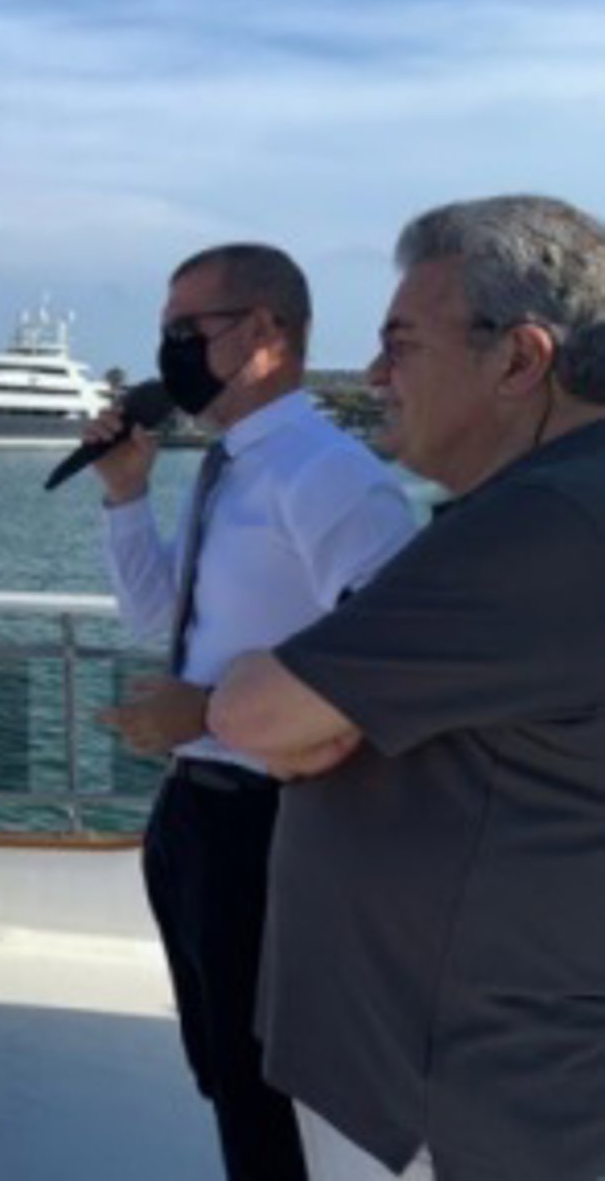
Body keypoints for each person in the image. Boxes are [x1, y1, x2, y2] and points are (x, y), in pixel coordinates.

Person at [210, 196, 605, 1181]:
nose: (376, 377)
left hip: (455, 1090)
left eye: (401, 346)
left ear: (520, 359)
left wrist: (272, 691)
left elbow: (252, 712)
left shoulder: (542, 525)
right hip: (467, 1062)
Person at [86, 244, 414, 1181]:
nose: (170, 352)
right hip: (197, 814)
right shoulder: (234, 467)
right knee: (225, 1069)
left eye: (188, 330)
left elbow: (387, 670)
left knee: (267, 1090)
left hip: (278, 827)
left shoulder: (329, 476)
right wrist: (124, 495)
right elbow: (158, 616)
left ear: (267, 332)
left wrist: (209, 714)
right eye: (166, 332)